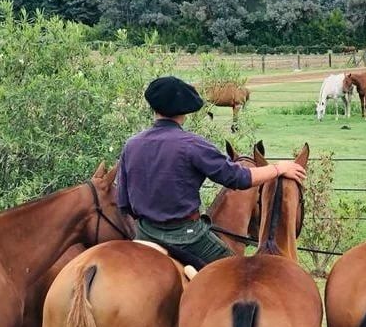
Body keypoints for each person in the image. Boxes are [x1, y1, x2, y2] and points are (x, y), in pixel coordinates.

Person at [116, 75, 306, 267]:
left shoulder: (131, 145)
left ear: (154, 108)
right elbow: (239, 178)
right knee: (235, 271)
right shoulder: (192, 145)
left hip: (145, 234)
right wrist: (278, 168)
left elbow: (123, 203)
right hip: (187, 236)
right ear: (185, 111)